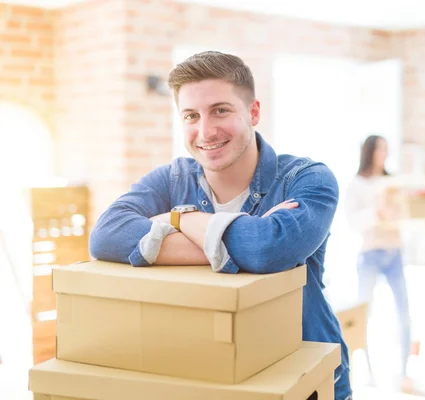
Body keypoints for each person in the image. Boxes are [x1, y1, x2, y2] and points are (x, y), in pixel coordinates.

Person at [89, 51, 352, 400]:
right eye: (191, 116)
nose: (205, 131)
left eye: (220, 110)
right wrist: (243, 243)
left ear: (253, 112)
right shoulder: (172, 180)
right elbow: (106, 236)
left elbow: (268, 249)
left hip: (309, 380)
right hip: (211, 379)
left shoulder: (306, 179)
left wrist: (180, 218)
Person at [345, 135, 413, 392]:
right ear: (369, 151)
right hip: (370, 254)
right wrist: (377, 212)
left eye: (387, 149)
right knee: (366, 314)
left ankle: (404, 373)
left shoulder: (392, 181)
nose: (385, 153)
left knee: (404, 315)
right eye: (381, 149)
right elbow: (354, 223)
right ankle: (369, 372)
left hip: (394, 252)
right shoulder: (356, 185)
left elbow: (403, 213)